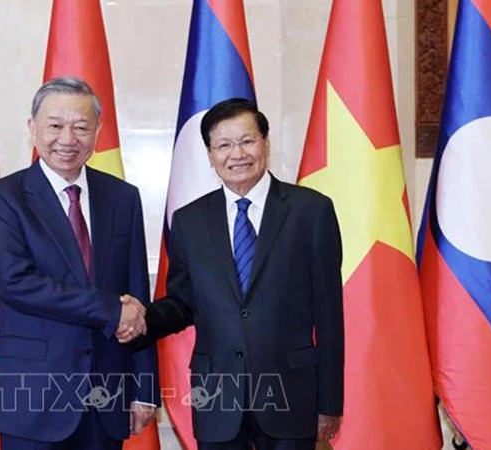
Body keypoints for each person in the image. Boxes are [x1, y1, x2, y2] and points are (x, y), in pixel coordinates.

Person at [124, 98, 343, 450]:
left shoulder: (311, 212)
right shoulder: (190, 221)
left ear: (265, 143)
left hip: (291, 396)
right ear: (210, 155)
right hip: (217, 399)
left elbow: (330, 316)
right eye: (224, 145)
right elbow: (183, 302)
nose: (236, 154)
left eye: (246, 141)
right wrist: (141, 319)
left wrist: (330, 403)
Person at [0, 77, 159, 450]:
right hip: (33, 396)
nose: (67, 139)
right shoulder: (3, 199)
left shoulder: (123, 197)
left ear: (97, 132)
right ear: (33, 128)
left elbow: (137, 293)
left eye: (80, 127)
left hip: (106, 395)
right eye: (55, 125)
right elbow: (16, 283)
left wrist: (145, 387)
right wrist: (111, 309)